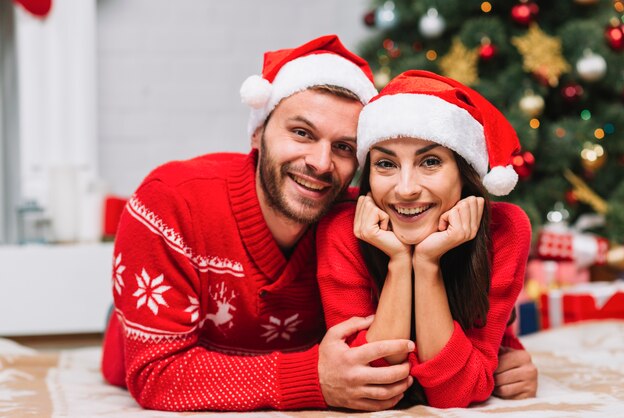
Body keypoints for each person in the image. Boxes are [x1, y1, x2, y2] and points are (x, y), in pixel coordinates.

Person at [100, 36, 536, 412]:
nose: (320, 163)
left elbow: (434, 308)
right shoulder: (171, 200)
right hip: (159, 334)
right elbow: (157, 374)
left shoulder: (359, 217)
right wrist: (313, 378)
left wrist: (500, 350)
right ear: (257, 134)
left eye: (344, 146)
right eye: (302, 133)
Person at [317, 70, 537, 409]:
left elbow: (458, 394)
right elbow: (368, 381)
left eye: (430, 162)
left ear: (464, 173)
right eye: (386, 164)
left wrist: (427, 263)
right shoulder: (343, 229)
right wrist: (400, 264)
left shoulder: (505, 230)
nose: (405, 189)